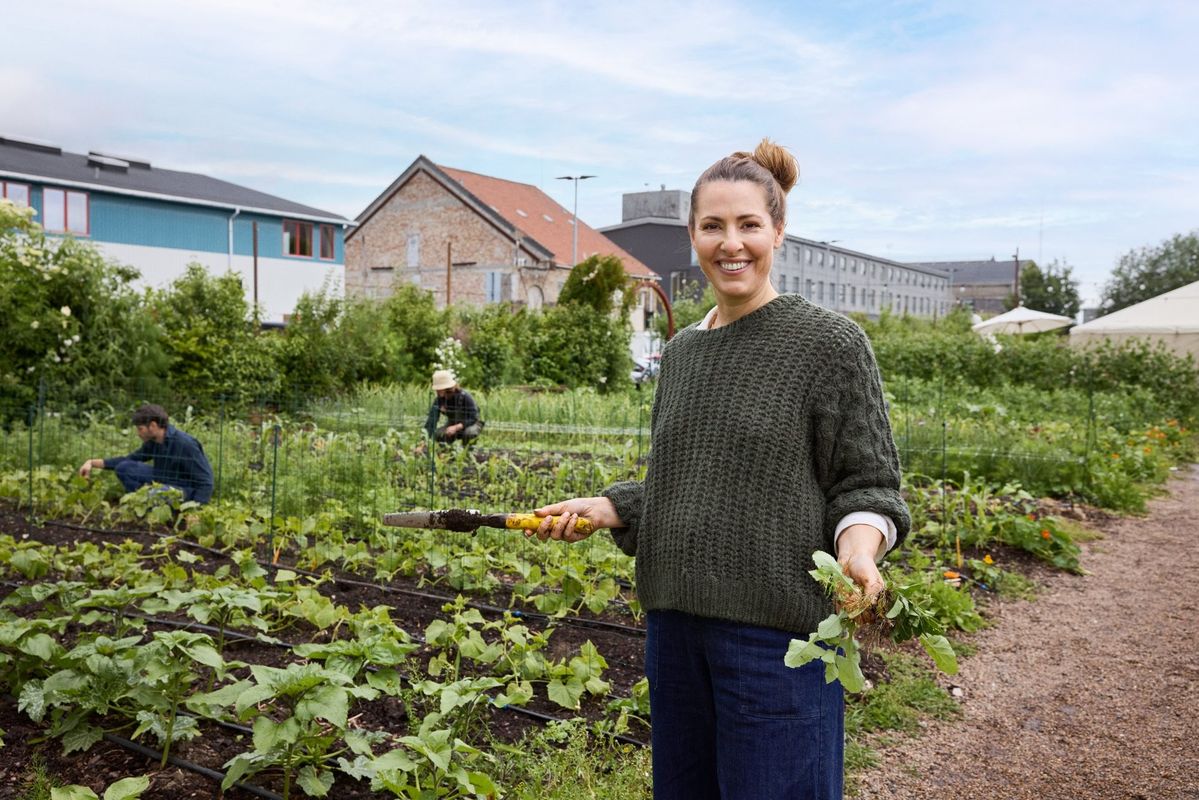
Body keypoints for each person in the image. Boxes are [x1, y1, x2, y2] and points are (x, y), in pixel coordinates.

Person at [533, 139, 910, 799]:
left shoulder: (828, 344)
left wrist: (859, 550)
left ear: (778, 232)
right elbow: (692, 479)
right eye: (713, 226)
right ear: (692, 237)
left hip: (778, 639)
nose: (730, 243)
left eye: (747, 225)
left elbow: (868, 485)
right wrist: (616, 505)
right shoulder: (681, 353)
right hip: (675, 630)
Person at [78, 403, 214, 505]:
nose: (138, 433)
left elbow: (206, 482)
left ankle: (157, 509)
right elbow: (128, 459)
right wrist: (91, 462)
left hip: (184, 490)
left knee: (153, 494)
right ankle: (143, 506)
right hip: (162, 480)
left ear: (153, 426)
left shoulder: (184, 444)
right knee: (124, 468)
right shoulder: (154, 442)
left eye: (140, 428)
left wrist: (195, 510)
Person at [423, 369, 483, 445]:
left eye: (438, 389)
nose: (436, 391)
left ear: (447, 388)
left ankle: (467, 454)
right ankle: (446, 453)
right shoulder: (439, 400)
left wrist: (456, 427)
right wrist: (423, 441)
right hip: (452, 423)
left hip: (471, 424)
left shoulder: (465, 397)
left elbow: (473, 417)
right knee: (439, 434)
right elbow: (432, 420)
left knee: (469, 433)